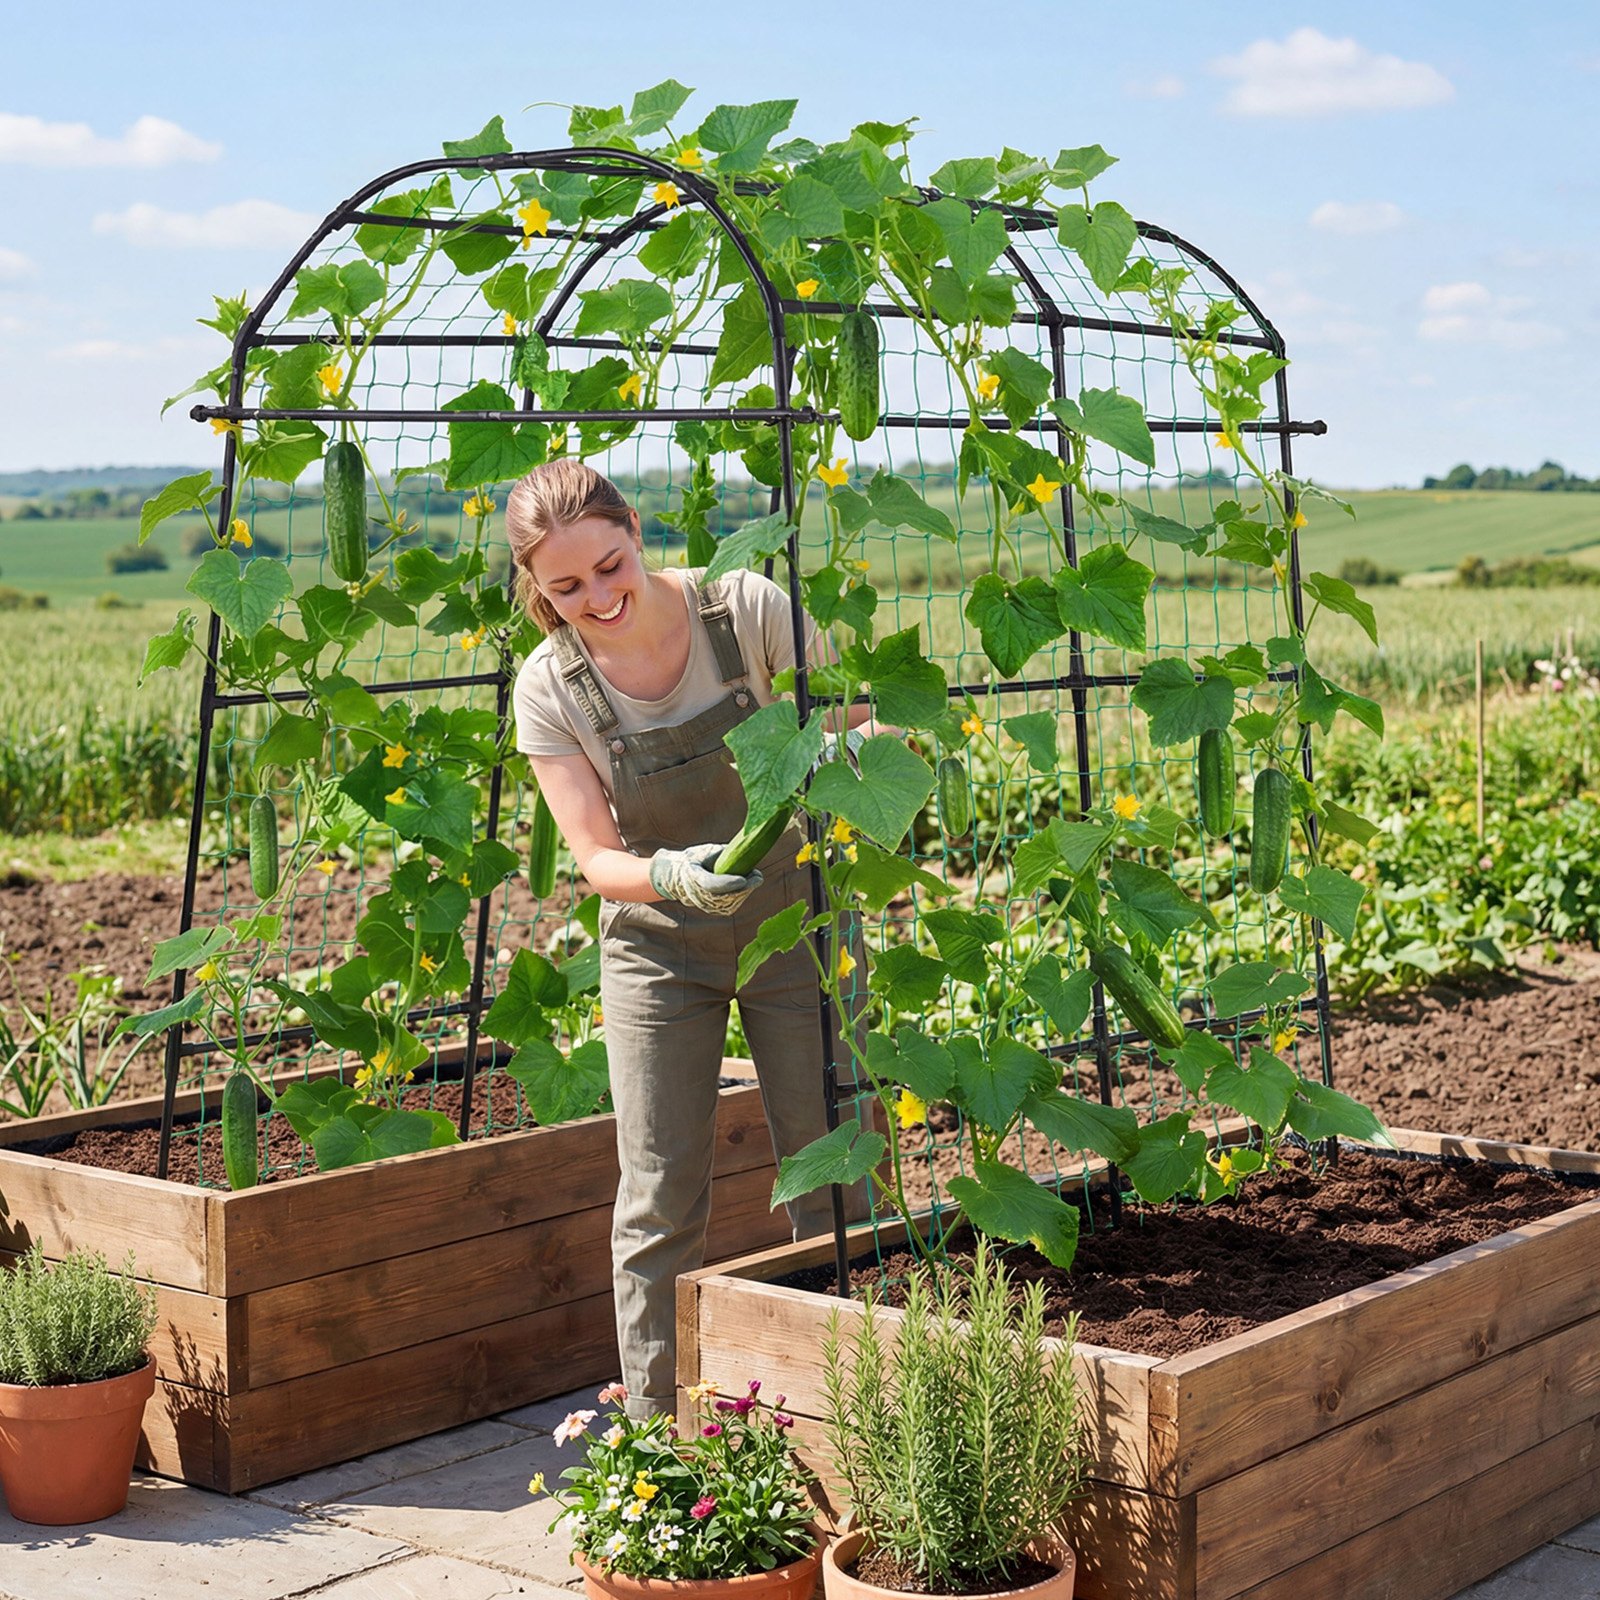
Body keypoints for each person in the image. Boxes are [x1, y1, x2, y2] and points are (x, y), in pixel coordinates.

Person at [507, 459, 867, 1420]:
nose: (599, 598)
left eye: (610, 566)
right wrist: (672, 873)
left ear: (635, 528)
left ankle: (852, 1413)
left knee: (833, 1166)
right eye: (567, 588)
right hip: (658, 939)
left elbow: (853, 721)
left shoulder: (744, 609)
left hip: (798, 917)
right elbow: (591, 853)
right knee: (659, 1192)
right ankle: (658, 1442)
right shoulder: (551, 685)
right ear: (537, 591)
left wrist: (847, 759)